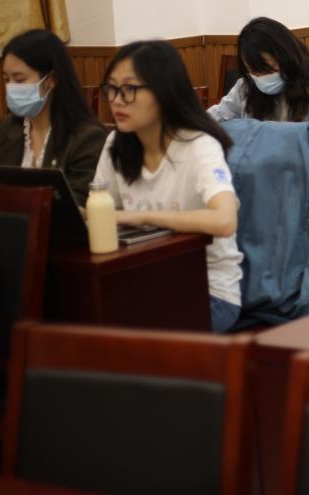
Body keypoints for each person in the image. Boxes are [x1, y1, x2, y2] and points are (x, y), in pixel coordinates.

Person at [92, 41, 243, 333]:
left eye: (129, 89)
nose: (117, 100)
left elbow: (224, 220)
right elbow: (101, 212)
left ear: (164, 92)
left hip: (208, 291)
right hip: (142, 285)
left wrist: (140, 217)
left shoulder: (198, 145)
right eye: (111, 89)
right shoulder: (116, 144)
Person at [0, 29, 107, 204]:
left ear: (51, 79)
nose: (11, 88)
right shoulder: (6, 127)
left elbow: (77, 203)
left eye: (19, 80)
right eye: (6, 79)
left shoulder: (86, 137)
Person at [208, 17, 309, 128]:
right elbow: (213, 120)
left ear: (287, 57)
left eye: (268, 68)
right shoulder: (246, 87)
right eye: (252, 71)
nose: (260, 78)